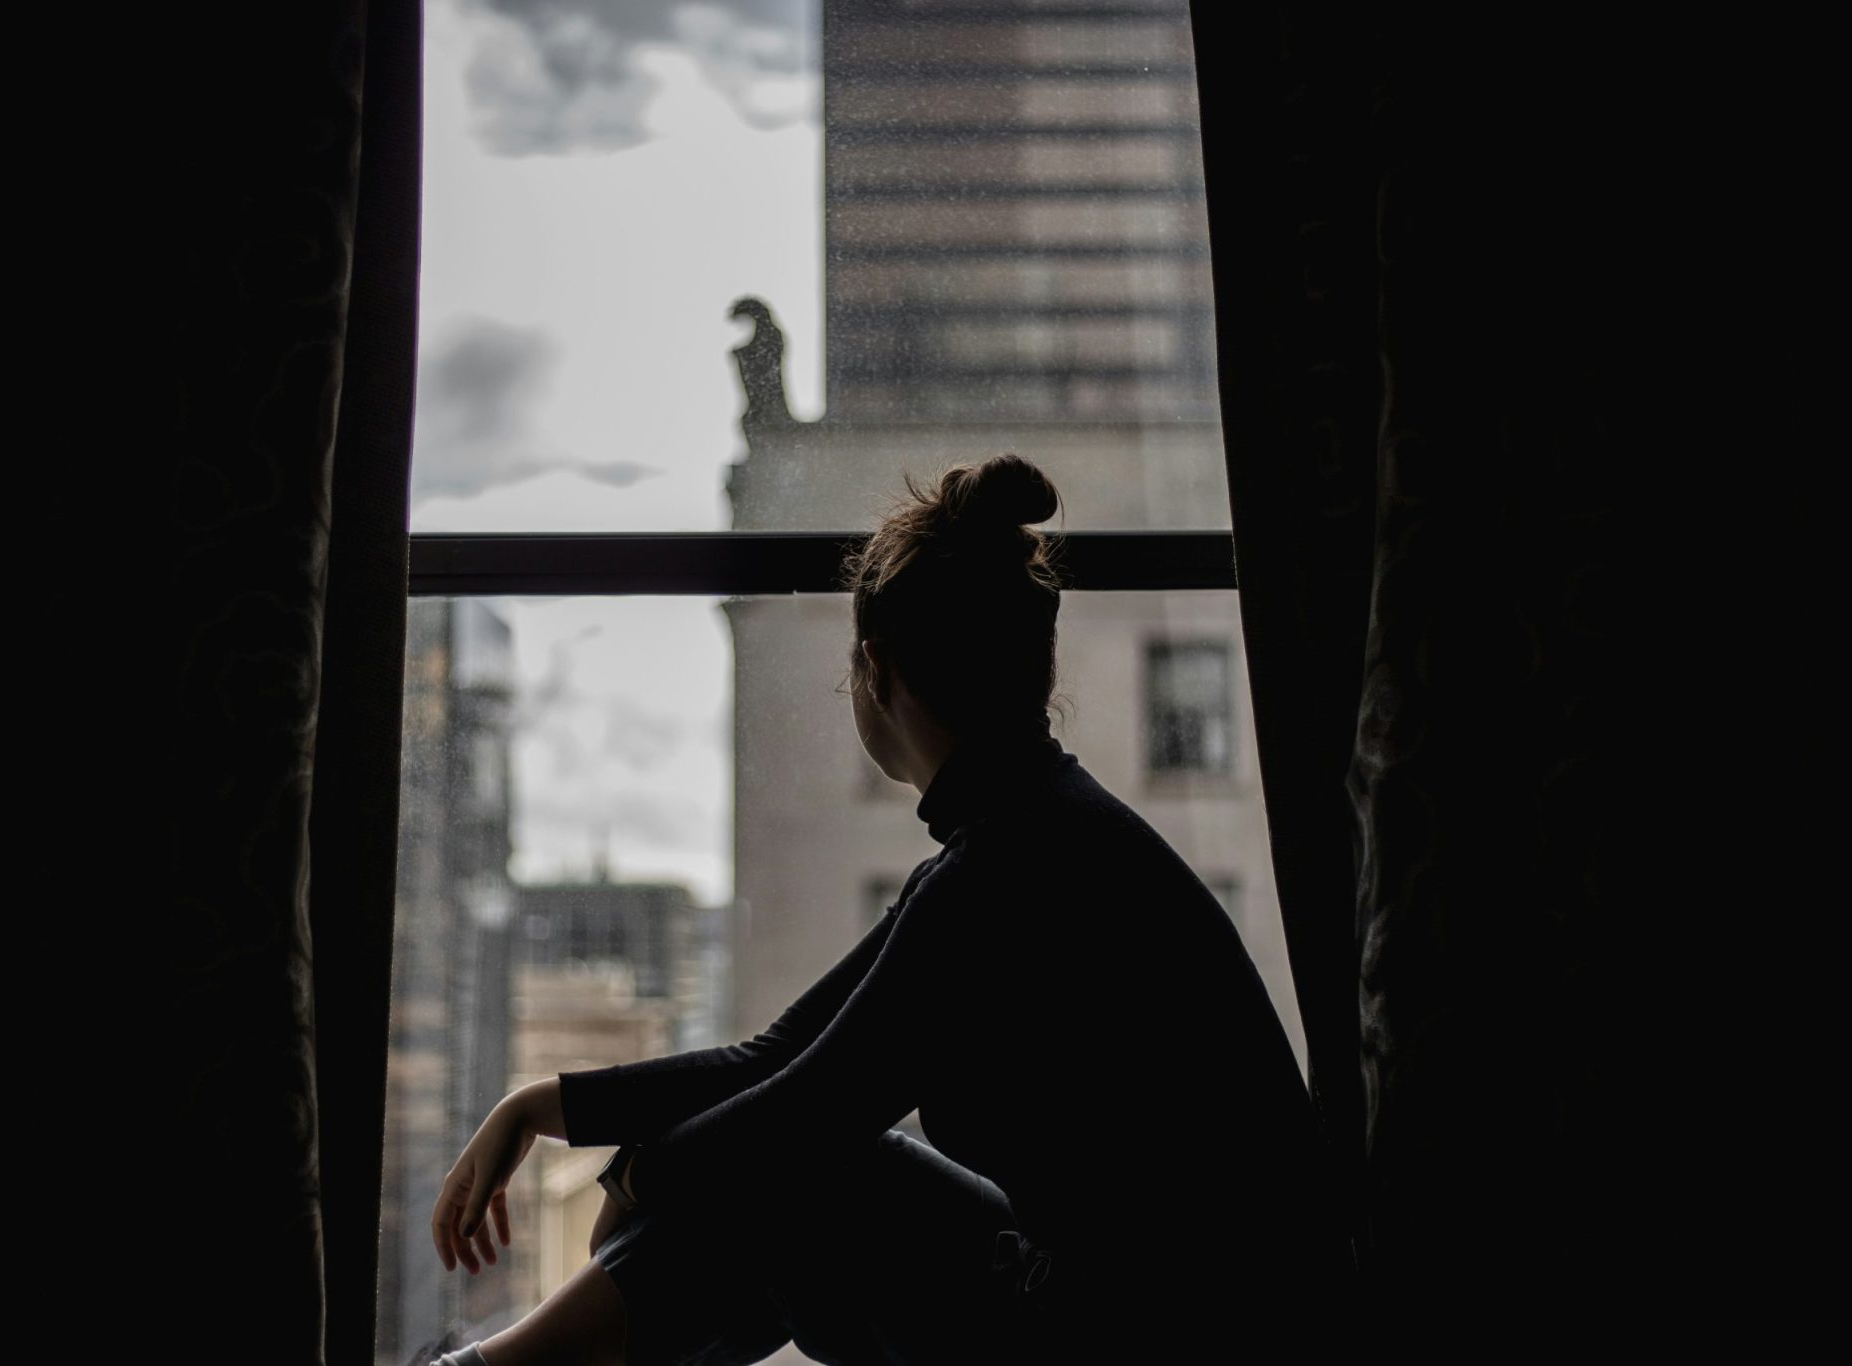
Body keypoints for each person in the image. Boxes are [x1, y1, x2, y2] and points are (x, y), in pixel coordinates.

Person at [425, 454, 1349, 1365]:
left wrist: (638, 1171)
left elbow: (804, 1114)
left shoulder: (1005, 870)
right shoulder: (1034, 835)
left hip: (1161, 1339)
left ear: (875, 670)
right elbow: (781, 1057)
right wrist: (545, 1105)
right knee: (800, 1182)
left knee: (810, 1181)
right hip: (1168, 1317)